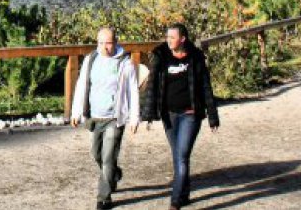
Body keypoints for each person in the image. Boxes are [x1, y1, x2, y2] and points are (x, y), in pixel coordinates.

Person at [141, 23, 220, 210]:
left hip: (190, 114)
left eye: (172, 38)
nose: (168, 41)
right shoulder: (161, 57)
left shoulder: (196, 58)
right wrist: (149, 114)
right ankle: (184, 193)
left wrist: (212, 116)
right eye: (167, 37)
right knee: (178, 155)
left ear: (182, 39)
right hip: (169, 114)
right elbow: (152, 86)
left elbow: (205, 87)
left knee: (182, 155)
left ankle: (175, 200)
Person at [70, 27, 140, 210]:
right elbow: (81, 86)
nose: (104, 47)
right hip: (95, 116)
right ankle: (113, 174)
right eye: (101, 43)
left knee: (108, 157)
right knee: (96, 154)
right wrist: (76, 112)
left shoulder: (125, 63)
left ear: (115, 42)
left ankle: (104, 198)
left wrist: (134, 118)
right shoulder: (90, 60)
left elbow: (133, 90)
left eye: (108, 43)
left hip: (114, 118)